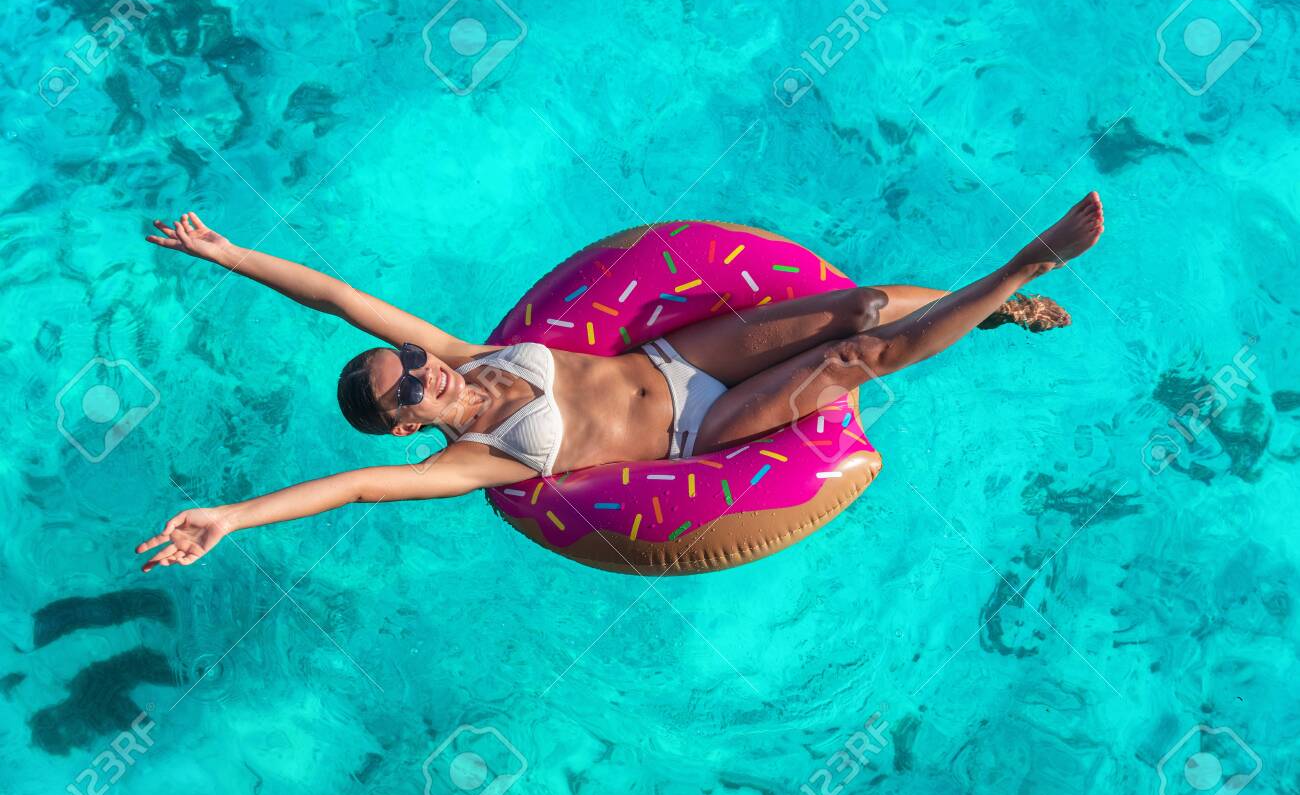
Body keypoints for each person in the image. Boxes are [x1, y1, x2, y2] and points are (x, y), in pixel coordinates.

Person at [135, 194, 1103, 571]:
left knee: (858, 307)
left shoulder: (474, 350)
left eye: (412, 361)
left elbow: (340, 296)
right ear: (403, 428)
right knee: (850, 359)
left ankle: (998, 309)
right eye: (408, 390)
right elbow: (344, 488)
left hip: (684, 358)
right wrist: (231, 514)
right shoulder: (473, 463)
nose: (424, 371)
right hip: (708, 428)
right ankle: (1018, 271)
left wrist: (228, 252)